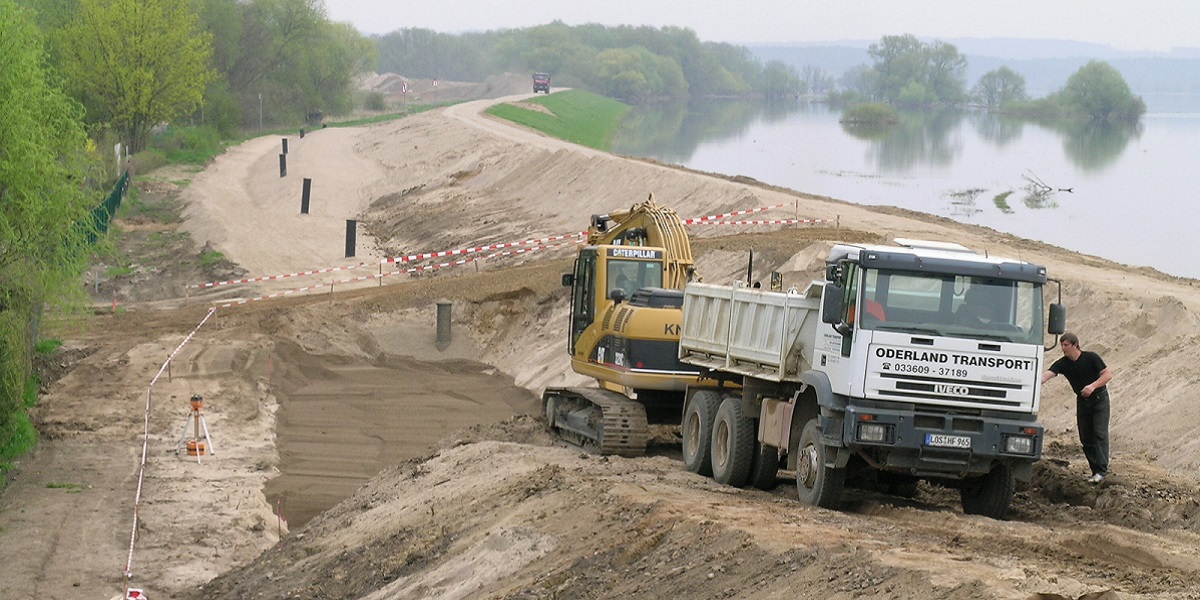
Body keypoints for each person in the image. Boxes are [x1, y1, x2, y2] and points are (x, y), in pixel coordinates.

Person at [1041, 332, 1114, 484]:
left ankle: (1102, 470)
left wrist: (1092, 386)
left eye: (1065, 345)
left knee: (1099, 434)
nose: (1062, 348)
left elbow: (1107, 375)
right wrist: (1034, 380)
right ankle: (1095, 471)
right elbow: (1048, 374)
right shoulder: (1063, 363)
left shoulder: (1091, 357)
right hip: (1082, 401)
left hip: (1099, 399)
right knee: (1086, 438)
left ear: (1075, 345)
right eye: (1061, 345)